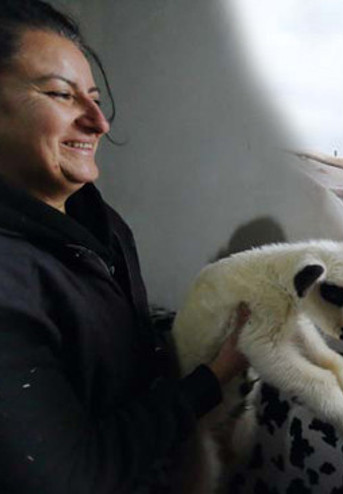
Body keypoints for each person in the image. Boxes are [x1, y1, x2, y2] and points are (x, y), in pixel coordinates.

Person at [0, 2, 248, 492]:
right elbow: (74, 476)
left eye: (93, 98)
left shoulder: (100, 219)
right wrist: (209, 380)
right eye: (60, 94)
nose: (98, 122)